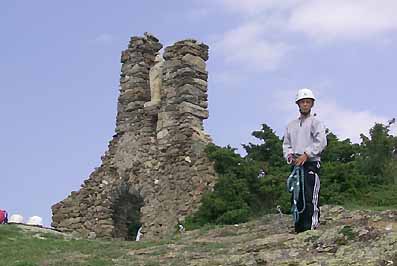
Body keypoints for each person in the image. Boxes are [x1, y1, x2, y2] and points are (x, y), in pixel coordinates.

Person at [282, 88, 327, 233]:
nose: (305, 105)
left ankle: (312, 226)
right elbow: (286, 144)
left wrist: (307, 154)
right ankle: (299, 226)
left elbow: (321, 141)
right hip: (296, 165)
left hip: (311, 163)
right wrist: (290, 156)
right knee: (297, 197)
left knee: (310, 196)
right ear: (298, 104)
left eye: (308, 102)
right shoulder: (291, 125)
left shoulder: (316, 123)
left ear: (312, 104)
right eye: (303, 102)